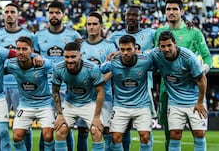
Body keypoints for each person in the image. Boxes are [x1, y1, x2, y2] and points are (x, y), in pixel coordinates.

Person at [154, 0, 212, 151]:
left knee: (198, 132)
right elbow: (154, 56)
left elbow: (207, 57)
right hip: (167, 90)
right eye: (168, 9)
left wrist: (202, 70)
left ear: (182, 11)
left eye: (174, 9)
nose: (171, 12)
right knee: (170, 132)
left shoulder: (193, 32)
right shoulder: (159, 32)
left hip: (191, 90)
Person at [107, 6, 156, 151]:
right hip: (121, 85)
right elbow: (109, 54)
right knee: (123, 127)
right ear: (124, 16)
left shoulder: (151, 33)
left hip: (144, 85)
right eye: (129, 15)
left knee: (145, 129)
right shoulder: (115, 36)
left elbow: (163, 44)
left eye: (135, 15)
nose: (132, 17)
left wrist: (142, 52)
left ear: (141, 17)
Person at [35, 1, 81, 151]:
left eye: (57, 12)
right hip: (46, 88)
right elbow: (35, 60)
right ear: (47, 14)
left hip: (68, 88)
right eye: (51, 12)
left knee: (65, 126)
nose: (54, 15)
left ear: (63, 14)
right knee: (47, 127)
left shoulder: (73, 35)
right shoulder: (39, 35)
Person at [150, 30, 208, 151]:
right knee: (174, 135)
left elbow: (202, 79)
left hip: (194, 100)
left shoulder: (188, 57)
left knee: (199, 134)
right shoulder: (156, 54)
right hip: (175, 102)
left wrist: (200, 102)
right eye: (163, 46)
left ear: (175, 44)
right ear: (159, 47)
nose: (166, 49)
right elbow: (140, 55)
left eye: (169, 45)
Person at [0, 3, 37, 151]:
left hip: (22, 86)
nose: (9, 14)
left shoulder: (29, 35)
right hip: (1, 86)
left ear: (18, 15)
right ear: (3, 15)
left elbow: (35, 57)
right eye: (7, 12)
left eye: (12, 12)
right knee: (1, 125)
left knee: (25, 125)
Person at [101, 35, 153, 151]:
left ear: (135, 49)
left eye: (129, 49)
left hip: (142, 105)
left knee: (145, 136)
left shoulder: (145, 61)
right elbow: (99, 70)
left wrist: (143, 52)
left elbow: (158, 56)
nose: (125, 53)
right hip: (120, 106)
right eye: (122, 50)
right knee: (115, 137)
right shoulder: (113, 63)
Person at [52, 42, 105, 151]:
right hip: (70, 103)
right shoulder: (58, 68)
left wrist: (96, 117)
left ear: (80, 56)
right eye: (66, 57)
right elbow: (55, 91)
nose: (69, 60)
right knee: (60, 130)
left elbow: (100, 92)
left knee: (96, 131)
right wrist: (60, 115)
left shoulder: (92, 68)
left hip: (89, 103)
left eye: (73, 57)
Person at [6, 36, 55, 151]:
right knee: (17, 137)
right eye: (18, 49)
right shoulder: (11, 65)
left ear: (31, 50)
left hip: (44, 104)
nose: (21, 52)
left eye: (24, 49)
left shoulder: (41, 63)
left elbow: (53, 67)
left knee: (48, 136)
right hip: (25, 105)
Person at [79, 12, 117, 151]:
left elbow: (113, 69)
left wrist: (98, 82)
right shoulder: (80, 45)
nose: (91, 27)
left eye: (95, 24)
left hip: (104, 95)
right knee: (83, 131)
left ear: (101, 26)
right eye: (89, 24)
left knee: (106, 130)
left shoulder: (109, 46)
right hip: (83, 96)